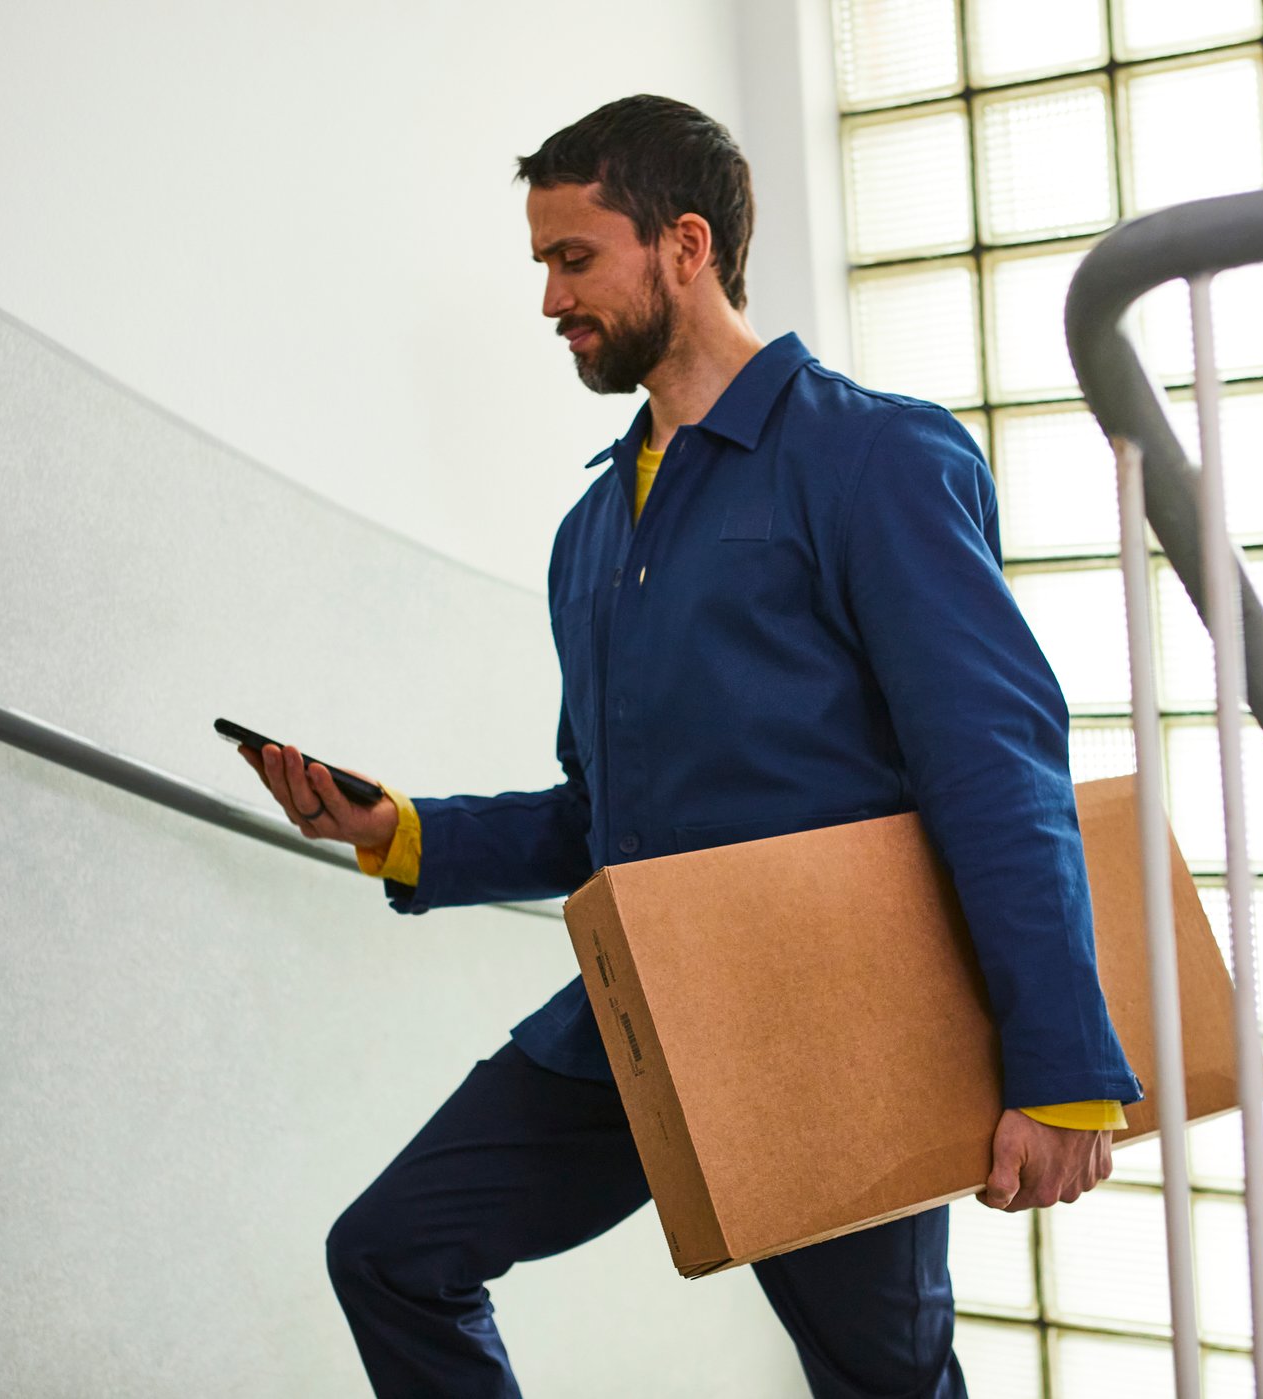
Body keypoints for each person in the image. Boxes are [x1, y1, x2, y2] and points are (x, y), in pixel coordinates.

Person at [242, 94, 1141, 1399]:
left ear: (685, 245)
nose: (552, 299)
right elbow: (596, 816)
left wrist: (1062, 1071)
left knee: (884, 1383)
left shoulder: (874, 457)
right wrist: (404, 832)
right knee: (391, 1251)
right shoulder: (593, 531)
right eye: (543, 265)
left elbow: (997, 768)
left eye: (574, 258)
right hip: (639, 1020)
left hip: (832, 1032)